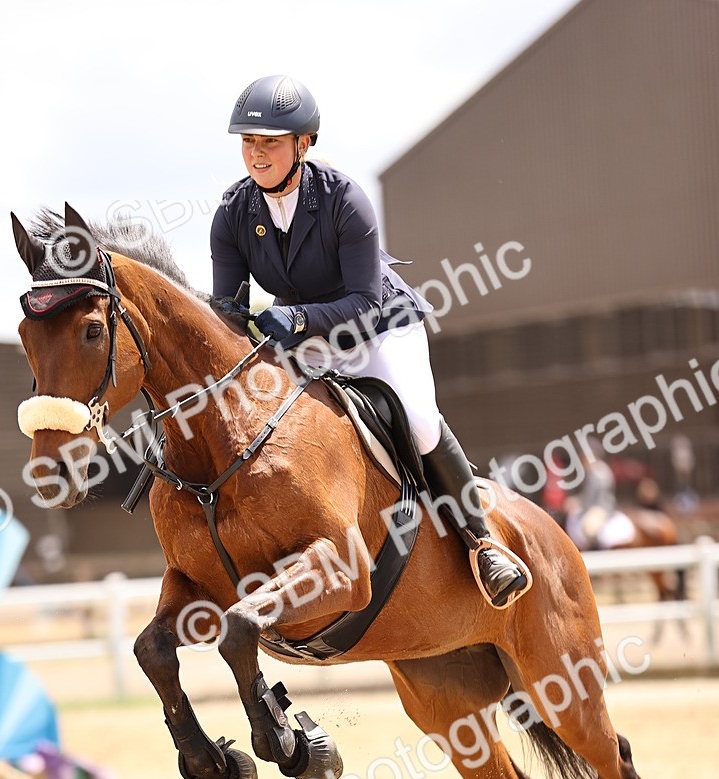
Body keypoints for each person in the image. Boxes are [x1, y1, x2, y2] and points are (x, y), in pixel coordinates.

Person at [210, 74, 531, 609]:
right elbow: (228, 312)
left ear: (303, 143)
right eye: (248, 142)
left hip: (378, 326)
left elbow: (365, 302)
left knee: (420, 420)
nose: (256, 154)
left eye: (269, 142)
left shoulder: (344, 200)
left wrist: (292, 320)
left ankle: (482, 541)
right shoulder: (233, 214)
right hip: (307, 338)